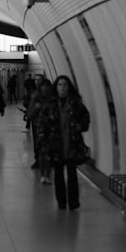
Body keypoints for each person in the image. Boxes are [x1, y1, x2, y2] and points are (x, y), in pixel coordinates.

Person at [39, 75, 90, 209]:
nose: (62, 88)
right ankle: (61, 201)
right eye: (60, 85)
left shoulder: (75, 104)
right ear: (56, 87)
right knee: (59, 174)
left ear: (69, 87)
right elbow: (42, 124)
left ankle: (73, 201)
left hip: (72, 144)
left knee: (72, 175)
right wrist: (43, 143)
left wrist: (80, 126)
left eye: (65, 85)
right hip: (56, 145)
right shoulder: (50, 105)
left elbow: (85, 118)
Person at [32, 79, 54, 182]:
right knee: (41, 151)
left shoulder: (53, 99)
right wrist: (36, 108)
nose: (45, 88)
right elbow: (29, 115)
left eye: (47, 86)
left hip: (51, 129)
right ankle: (42, 174)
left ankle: (48, 175)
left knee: (49, 152)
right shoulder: (35, 98)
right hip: (38, 127)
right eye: (43, 86)